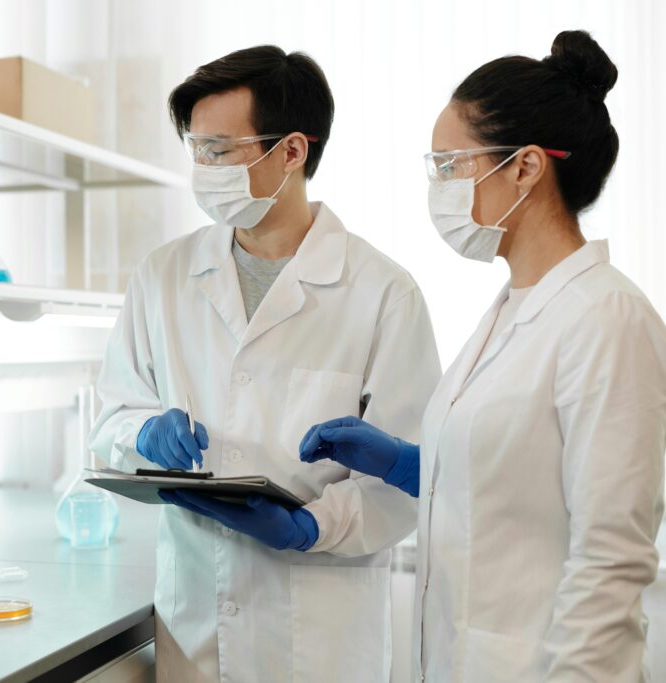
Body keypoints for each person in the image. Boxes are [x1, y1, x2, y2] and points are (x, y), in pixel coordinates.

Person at [300, 31, 666, 681]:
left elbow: (610, 560)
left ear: (526, 166)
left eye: (450, 166)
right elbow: (519, 480)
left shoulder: (607, 318)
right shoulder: (512, 310)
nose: (437, 187)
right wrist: (414, 464)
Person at [89, 45, 440, 682]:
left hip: (319, 636)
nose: (203, 167)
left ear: (293, 151)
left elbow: (410, 478)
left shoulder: (383, 293)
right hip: (194, 623)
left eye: (221, 150)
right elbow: (112, 413)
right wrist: (140, 433)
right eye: (196, 149)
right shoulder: (163, 275)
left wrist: (311, 526)